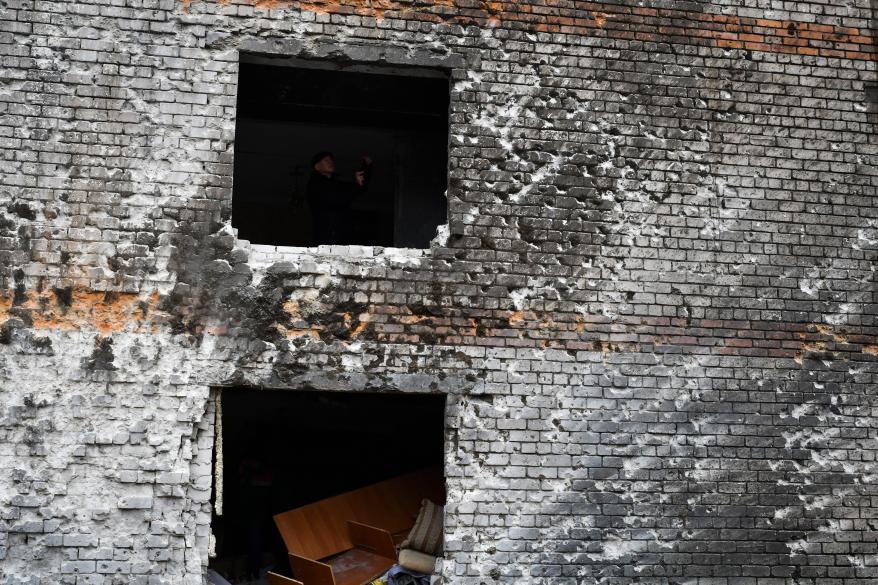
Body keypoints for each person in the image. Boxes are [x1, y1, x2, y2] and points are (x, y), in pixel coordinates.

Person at [306, 151, 372, 244]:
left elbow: (357, 189)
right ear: (317, 167)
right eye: (326, 160)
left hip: (339, 235)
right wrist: (356, 186)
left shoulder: (336, 184)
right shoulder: (315, 185)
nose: (330, 162)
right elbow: (338, 197)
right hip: (326, 237)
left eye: (331, 160)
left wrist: (366, 168)